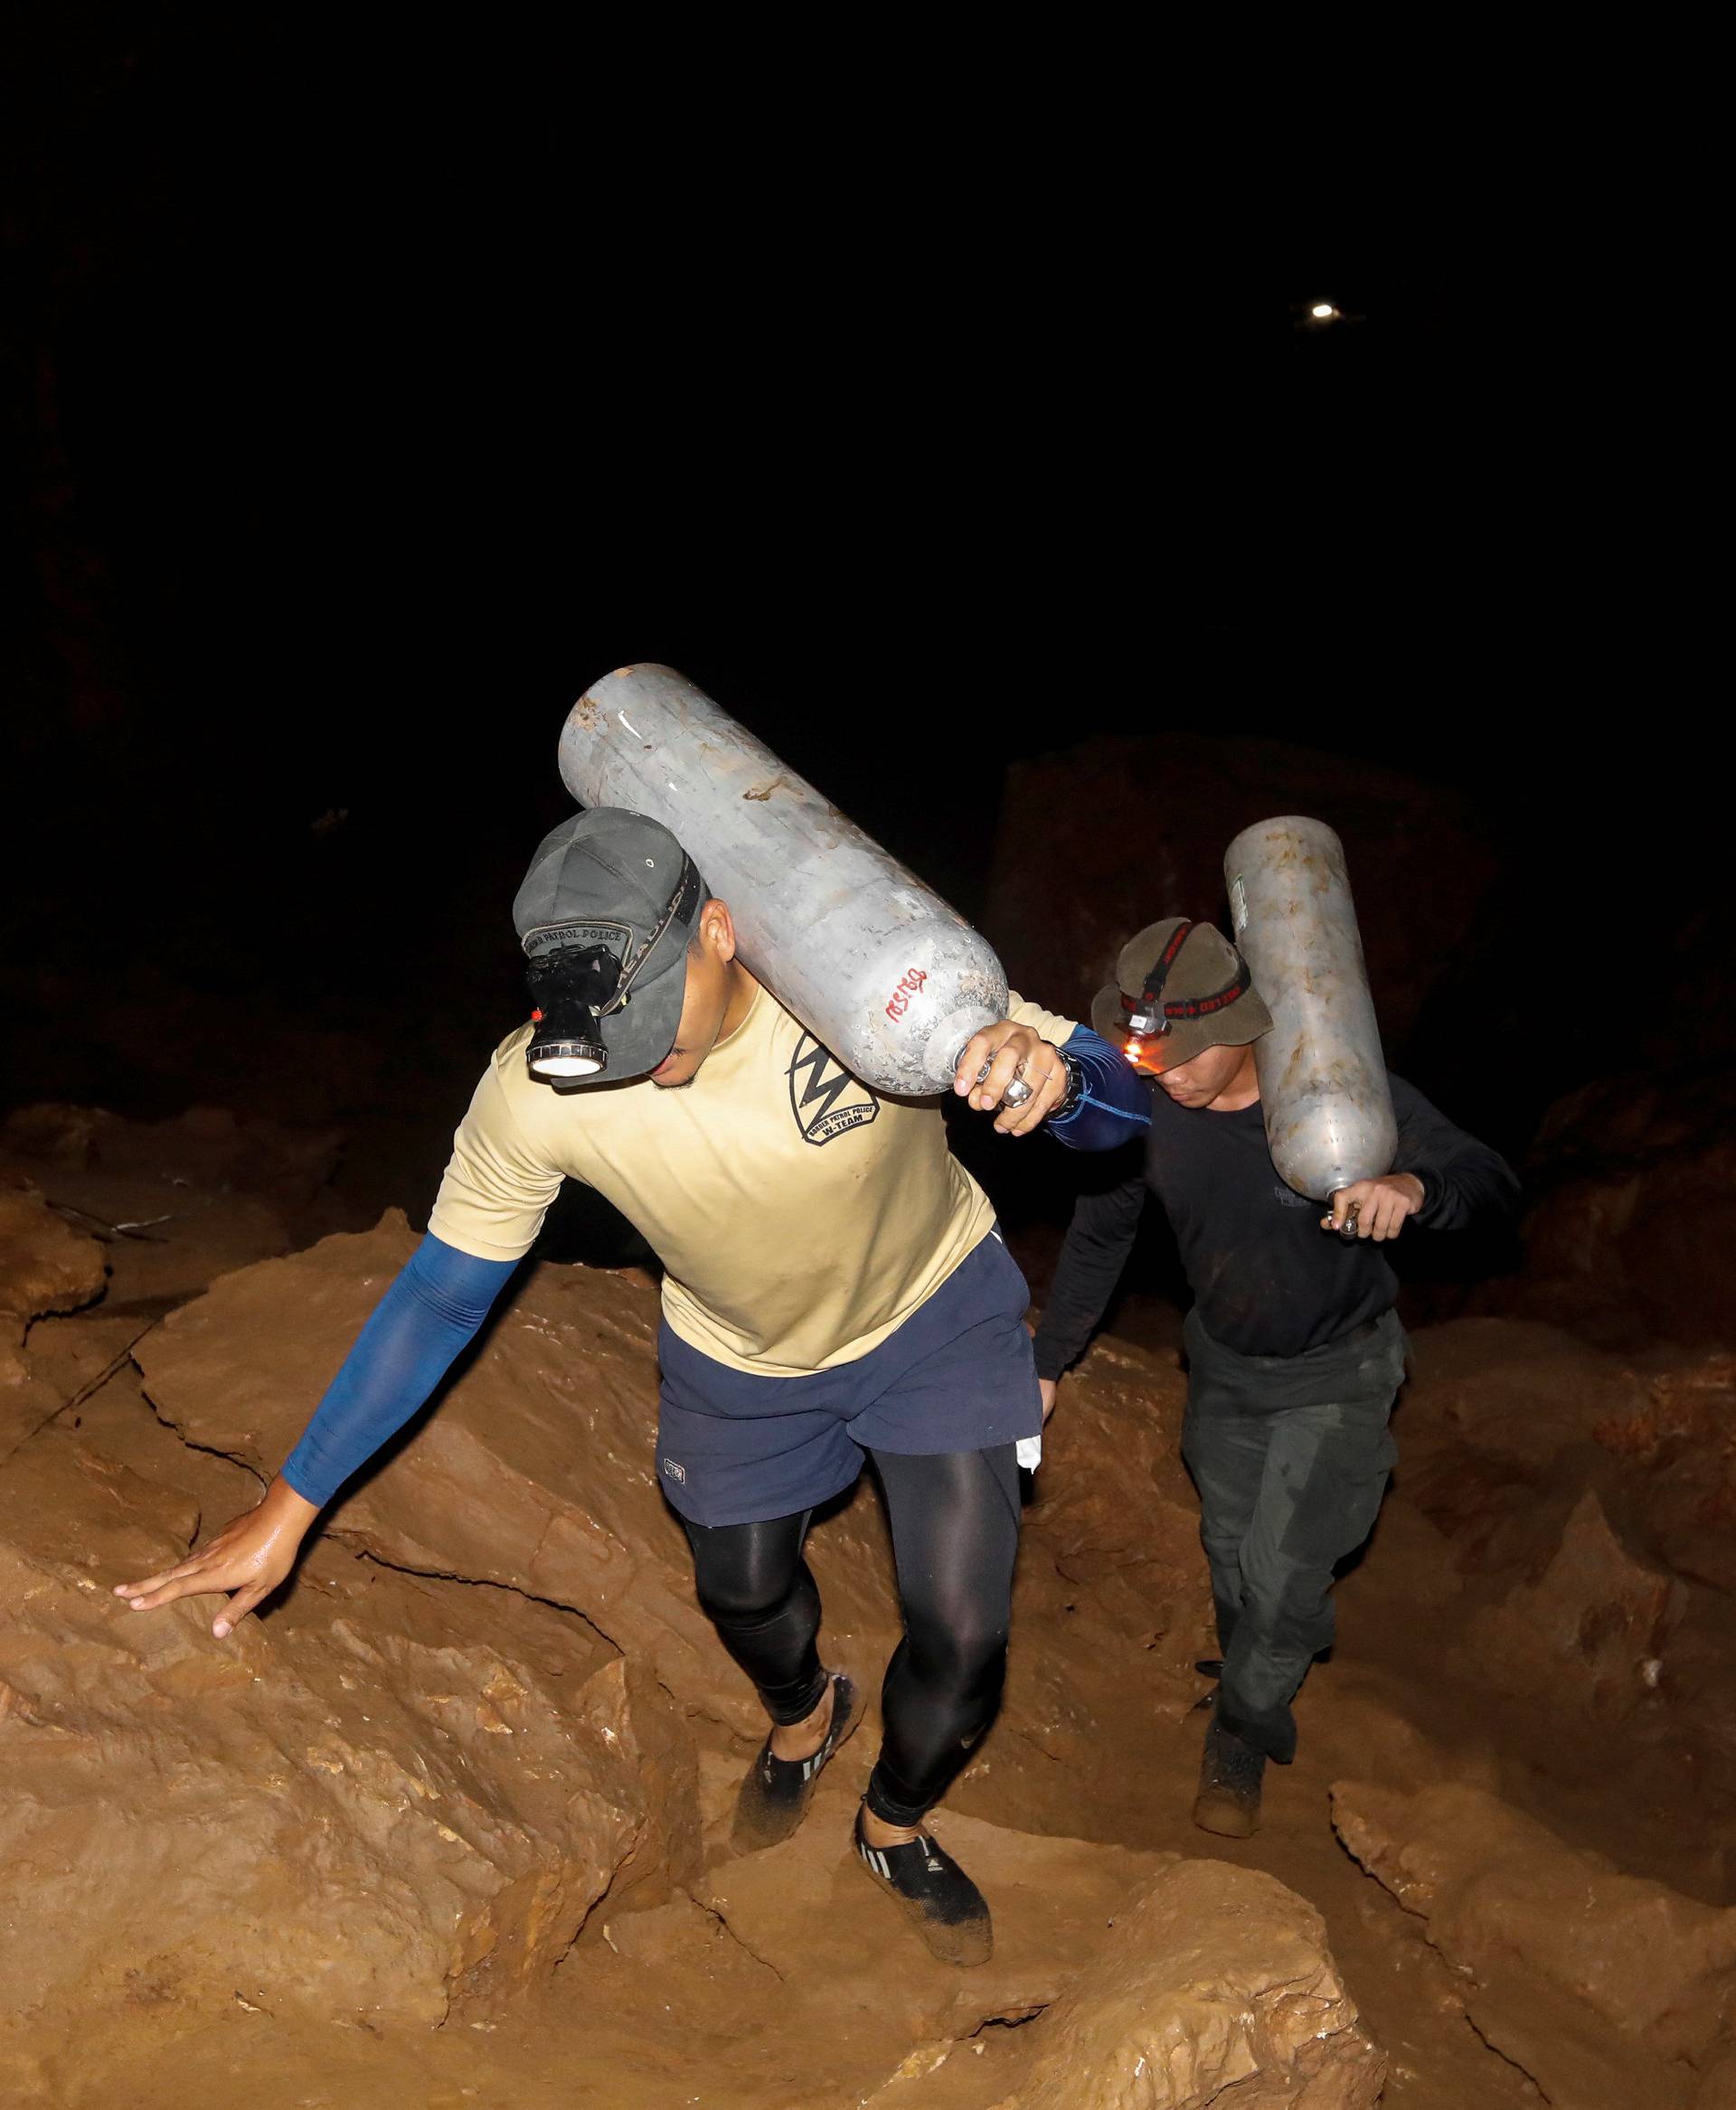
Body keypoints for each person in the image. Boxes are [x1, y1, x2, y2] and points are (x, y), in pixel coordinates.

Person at [114, 807, 1149, 1965]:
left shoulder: (867, 977)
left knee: (962, 1634)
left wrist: (1064, 1084)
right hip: (740, 1354)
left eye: (659, 1024)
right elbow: (443, 1298)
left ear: (719, 930)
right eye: (610, 1040)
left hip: (934, 1316)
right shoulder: (537, 1088)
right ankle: (808, 1713)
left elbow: (1122, 1117)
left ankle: (891, 1824)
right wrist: (290, 1504)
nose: (646, 1065)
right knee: (742, 1591)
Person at [1031, 917, 1516, 1838]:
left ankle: (1243, 1733)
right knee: (1229, 1553)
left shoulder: (1335, 1095)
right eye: (1145, 1052)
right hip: (1223, 1362)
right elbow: (1101, 1237)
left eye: (1178, 1056)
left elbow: (1488, 1178)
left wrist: (1413, 1189)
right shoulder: (1143, 1111)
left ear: (1237, 1029)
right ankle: (1257, 1657)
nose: (1158, 1072)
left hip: (1339, 1366)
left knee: (1282, 1572)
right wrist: (1047, 1361)